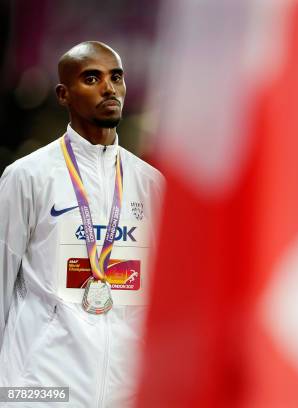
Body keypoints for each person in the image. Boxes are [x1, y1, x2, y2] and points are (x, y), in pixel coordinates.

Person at [0, 41, 164, 407]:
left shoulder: (150, 184)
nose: (109, 88)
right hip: (42, 390)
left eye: (116, 78)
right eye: (92, 78)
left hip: (124, 391)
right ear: (64, 94)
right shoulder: (28, 177)